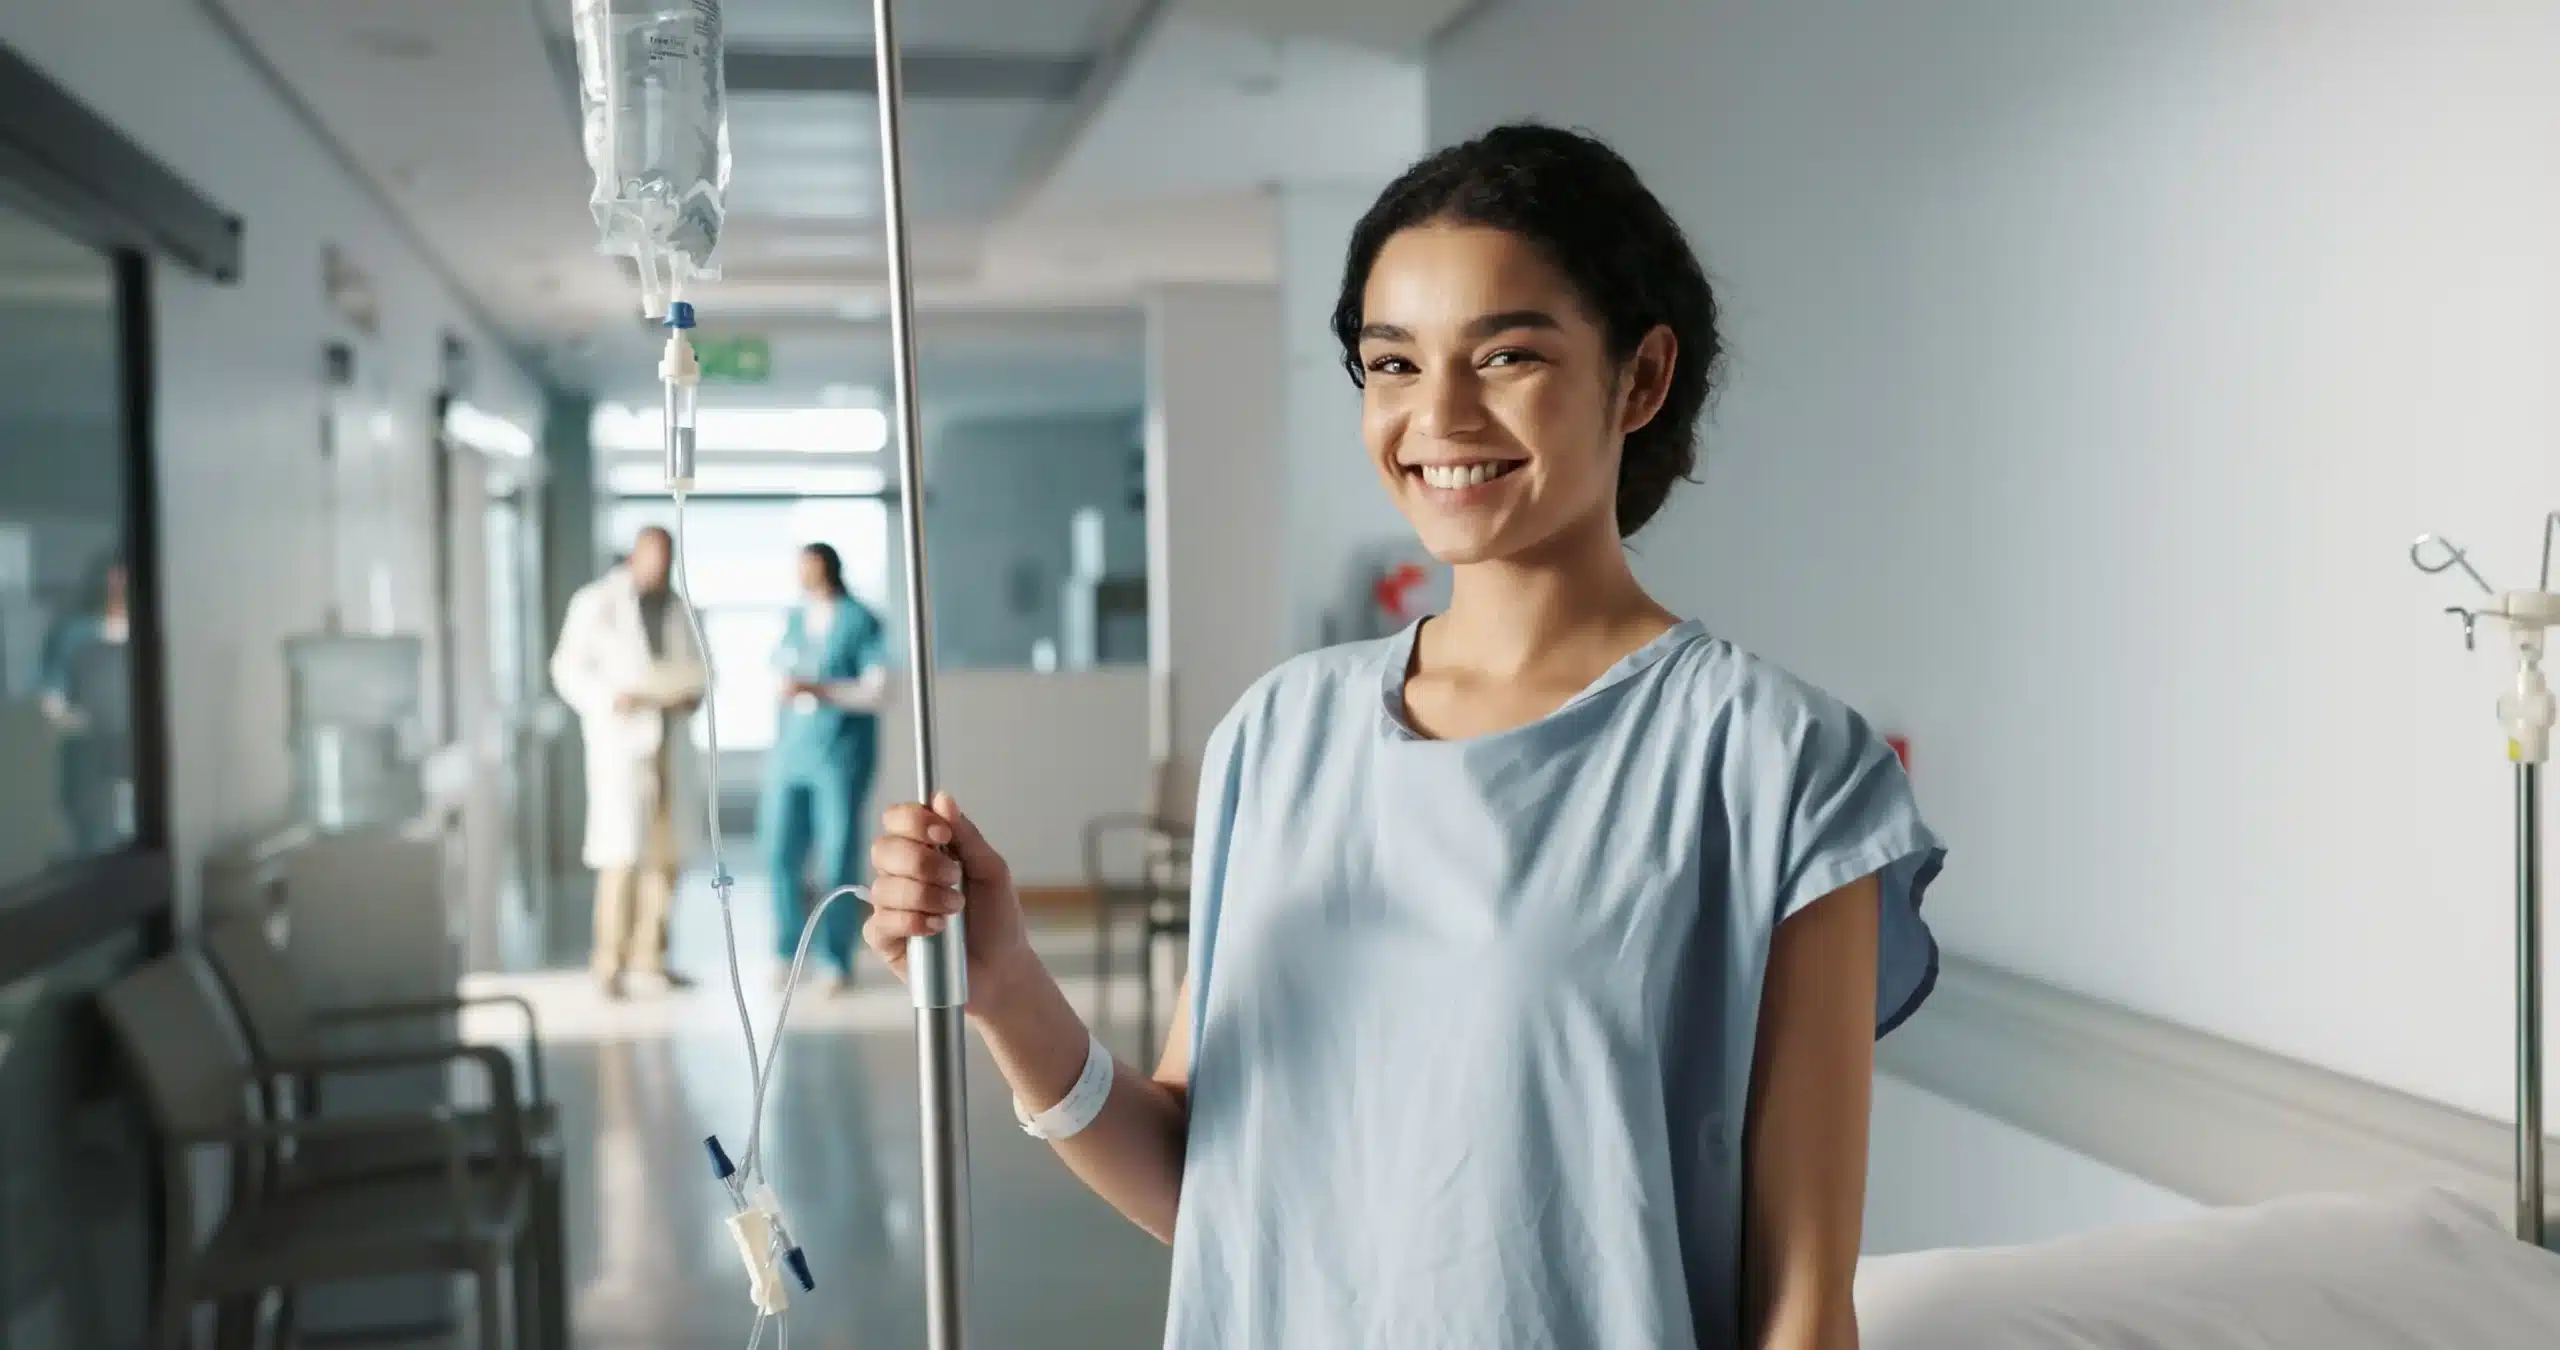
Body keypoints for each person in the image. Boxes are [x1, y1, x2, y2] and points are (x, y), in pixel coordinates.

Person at [865, 123, 1945, 1350]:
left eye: (1506, 355)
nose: (1439, 414)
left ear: (1640, 379)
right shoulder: (1280, 735)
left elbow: (1802, 1308)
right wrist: (1005, 986)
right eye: (1391, 363)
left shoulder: (1772, 763)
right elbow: (1208, 1194)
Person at [550, 526, 705, 999]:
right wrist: (608, 698)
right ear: (635, 555)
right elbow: (567, 670)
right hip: (622, 741)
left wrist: (693, 694)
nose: (661, 566)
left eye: (668, 557)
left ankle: (651, 958)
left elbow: (702, 667)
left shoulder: (679, 607)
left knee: (666, 854)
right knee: (620, 853)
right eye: (654, 556)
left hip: (670, 740)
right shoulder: (596, 602)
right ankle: (609, 962)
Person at [760, 542, 890, 994]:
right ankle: (786, 950)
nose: (803, 576)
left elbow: (877, 691)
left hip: (839, 752)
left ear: (829, 568)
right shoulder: (795, 619)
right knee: (779, 851)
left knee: (836, 857)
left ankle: (835, 958)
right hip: (792, 751)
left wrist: (819, 690)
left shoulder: (860, 620)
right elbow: (778, 672)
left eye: (809, 568)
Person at [37, 555, 134, 855]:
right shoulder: (75, 635)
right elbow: (51, 703)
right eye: (114, 577)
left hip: (136, 761)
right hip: (89, 762)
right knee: (97, 844)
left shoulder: (150, 633)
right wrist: (84, 721)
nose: (119, 585)